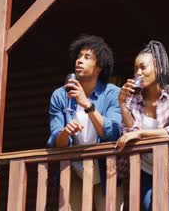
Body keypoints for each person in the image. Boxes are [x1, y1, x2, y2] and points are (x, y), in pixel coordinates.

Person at [47, 35, 123, 210]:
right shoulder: (60, 95)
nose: (79, 61)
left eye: (87, 57)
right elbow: (55, 141)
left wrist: (86, 104)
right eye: (79, 56)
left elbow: (111, 133)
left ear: (99, 67)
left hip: (107, 168)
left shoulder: (112, 93)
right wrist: (65, 133)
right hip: (73, 168)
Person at [116, 40, 169, 211]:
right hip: (147, 170)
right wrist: (122, 104)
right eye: (135, 69)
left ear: (159, 67)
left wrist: (141, 134)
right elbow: (129, 133)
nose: (138, 73)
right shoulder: (132, 100)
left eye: (143, 67)